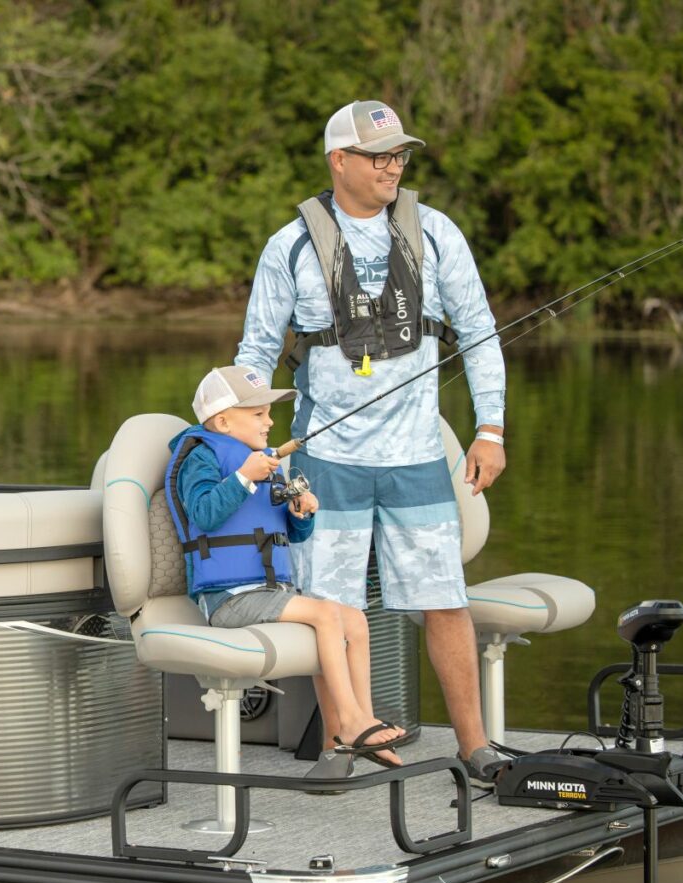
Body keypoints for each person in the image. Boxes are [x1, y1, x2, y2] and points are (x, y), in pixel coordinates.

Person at [237, 100, 509, 786]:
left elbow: (478, 333)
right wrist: (232, 438)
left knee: (443, 598)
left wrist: (491, 430)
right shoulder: (289, 246)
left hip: (418, 459)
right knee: (331, 603)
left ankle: (476, 747)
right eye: (379, 155)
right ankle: (338, 745)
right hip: (326, 464)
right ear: (340, 161)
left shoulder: (436, 232)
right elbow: (254, 356)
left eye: (400, 156)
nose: (393, 167)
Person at [169, 365, 408, 780]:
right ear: (223, 421)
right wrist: (244, 477)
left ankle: (359, 724)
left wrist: (302, 514)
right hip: (227, 599)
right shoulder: (202, 456)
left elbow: (290, 535)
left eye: (269, 414)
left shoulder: (264, 463)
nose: (271, 422)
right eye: (258, 414)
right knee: (326, 614)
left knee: (354, 617)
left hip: (267, 590)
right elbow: (205, 514)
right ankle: (348, 724)